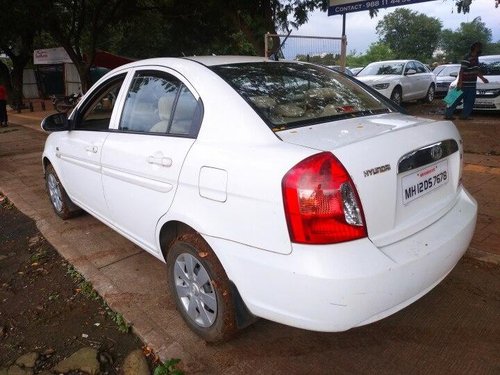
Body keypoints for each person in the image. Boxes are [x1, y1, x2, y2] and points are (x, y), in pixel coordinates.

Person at [444, 41, 489, 120]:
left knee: (469, 101)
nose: (480, 48)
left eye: (480, 47)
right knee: (453, 98)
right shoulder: (467, 57)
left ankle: (464, 116)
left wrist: (482, 78)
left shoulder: (476, 58)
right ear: (474, 48)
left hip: (472, 84)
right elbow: (462, 70)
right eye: (478, 47)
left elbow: (476, 70)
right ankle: (447, 114)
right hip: (464, 83)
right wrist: (459, 82)